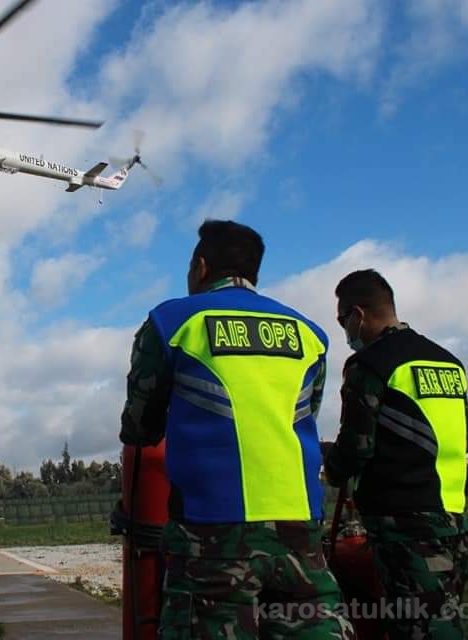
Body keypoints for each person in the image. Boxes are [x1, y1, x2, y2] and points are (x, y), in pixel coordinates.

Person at [120, 219, 353, 639]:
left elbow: (140, 426)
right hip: (300, 525)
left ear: (201, 267)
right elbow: (307, 412)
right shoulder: (309, 333)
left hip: (210, 531)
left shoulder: (172, 321)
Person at [323, 269, 468, 639]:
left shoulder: (370, 365)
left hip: (405, 526)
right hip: (454, 518)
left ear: (358, 315)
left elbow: (356, 447)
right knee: (444, 618)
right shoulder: (448, 361)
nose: (346, 331)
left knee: (418, 626)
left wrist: (332, 467)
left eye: (343, 321)